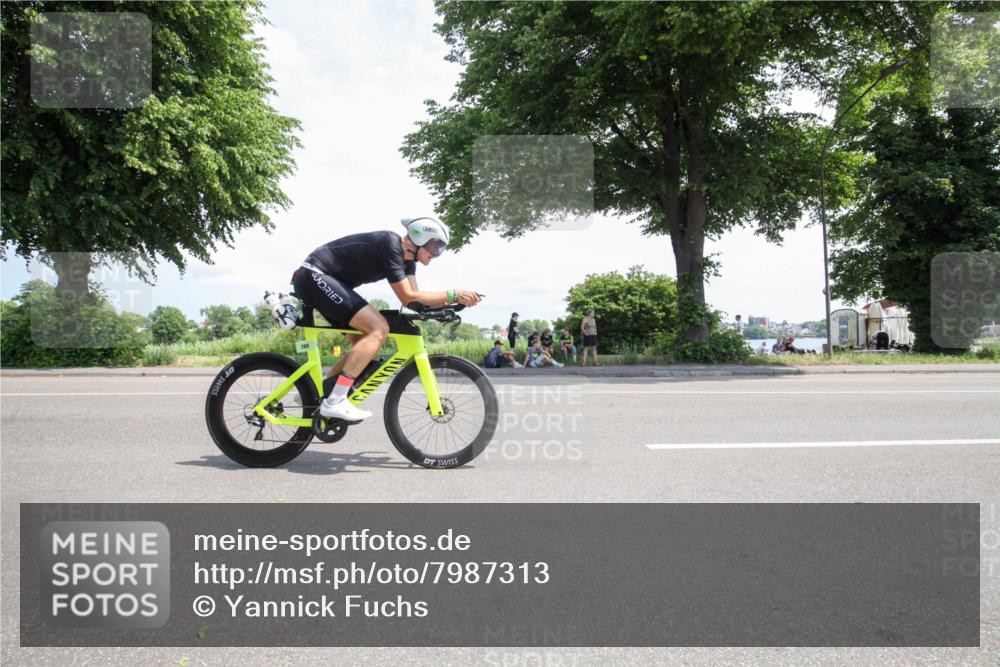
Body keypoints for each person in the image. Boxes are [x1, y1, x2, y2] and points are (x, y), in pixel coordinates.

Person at [292, 217, 481, 422]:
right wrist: (453, 294)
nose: (437, 254)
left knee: (363, 341)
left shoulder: (408, 261)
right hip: (315, 275)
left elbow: (415, 301)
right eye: (436, 247)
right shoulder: (390, 245)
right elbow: (408, 296)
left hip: (325, 281)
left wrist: (451, 304)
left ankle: (318, 393)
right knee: (378, 329)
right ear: (419, 239)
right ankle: (335, 401)